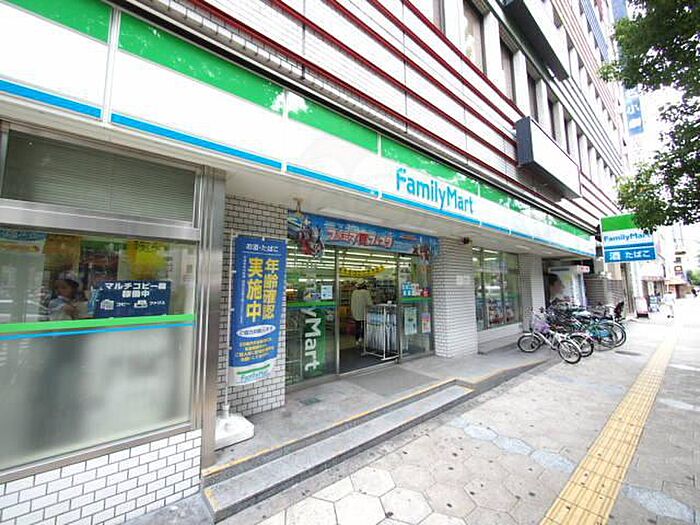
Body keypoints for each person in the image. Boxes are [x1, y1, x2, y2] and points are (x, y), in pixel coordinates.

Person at [351, 281, 373, 346]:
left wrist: (353, 311)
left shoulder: (354, 292)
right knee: (364, 326)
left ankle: (357, 339)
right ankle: (362, 338)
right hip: (364, 312)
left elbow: (352, 303)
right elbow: (369, 303)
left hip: (356, 312)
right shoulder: (366, 292)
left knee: (357, 326)